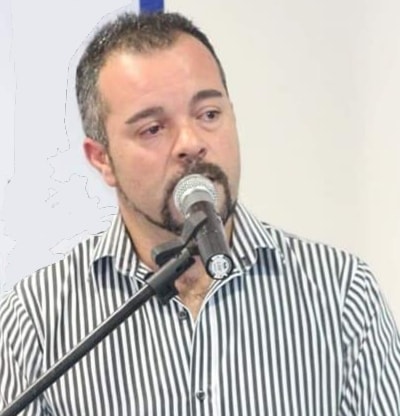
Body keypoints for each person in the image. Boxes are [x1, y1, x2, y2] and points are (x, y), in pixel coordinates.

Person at [0, 11, 399, 416]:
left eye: (209, 114)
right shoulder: (35, 320)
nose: (191, 143)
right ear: (102, 159)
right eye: (153, 129)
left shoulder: (343, 293)